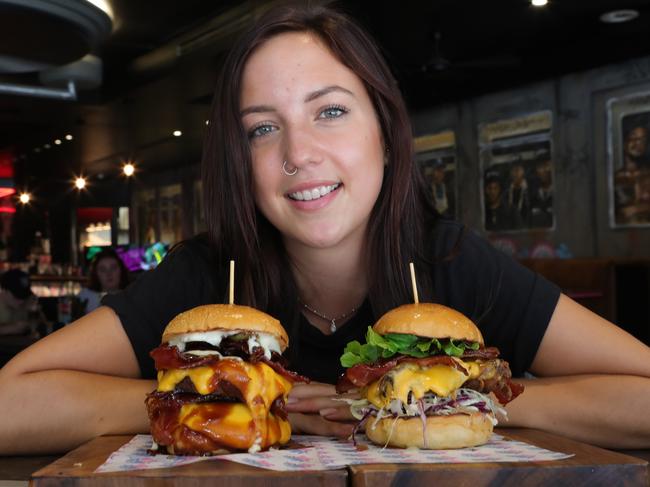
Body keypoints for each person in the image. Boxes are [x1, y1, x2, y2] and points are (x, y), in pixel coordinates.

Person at [0, 4, 648, 456]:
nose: (298, 153)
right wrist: (232, 396)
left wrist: (462, 399)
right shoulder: (208, 274)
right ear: (241, 161)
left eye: (330, 111)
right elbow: (11, 402)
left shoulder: (448, 260)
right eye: (262, 127)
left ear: (386, 135)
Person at [77, 249, 130, 315]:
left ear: (121, 271)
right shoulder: (85, 295)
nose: (109, 273)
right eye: (103, 269)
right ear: (96, 274)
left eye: (113, 268)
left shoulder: (131, 297)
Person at [0, 269, 44, 337]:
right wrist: (9, 329)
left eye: (24, 295)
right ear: (4, 290)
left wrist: (36, 314)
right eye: (17, 296)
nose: (22, 300)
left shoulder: (29, 300)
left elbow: (43, 324)